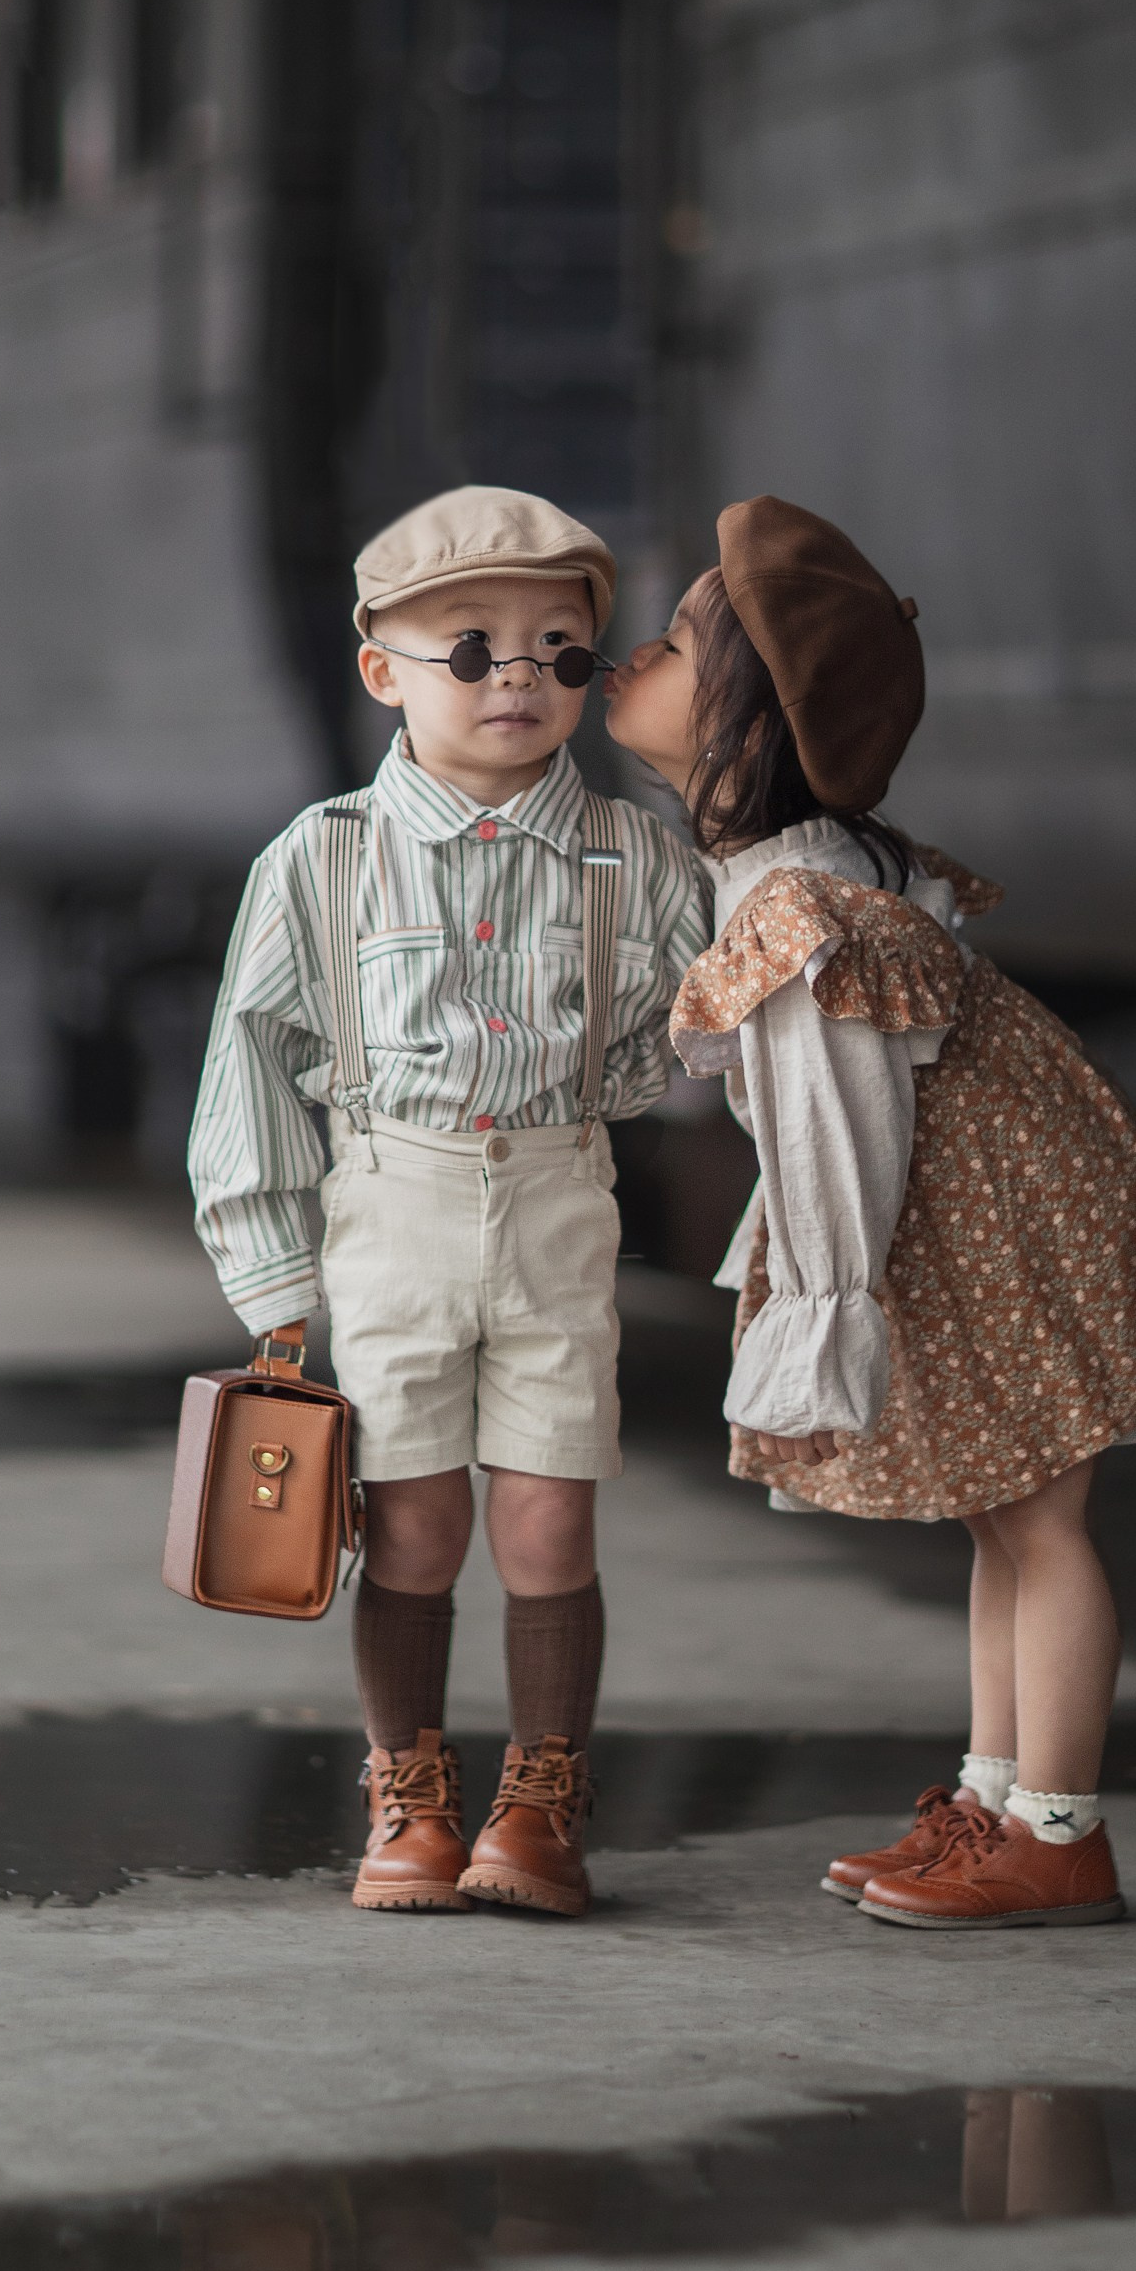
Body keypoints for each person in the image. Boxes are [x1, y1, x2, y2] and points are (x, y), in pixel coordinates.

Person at [604, 497, 1136, 1929]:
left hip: (1009, 1232)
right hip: (992, 1219)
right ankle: (993, 1806)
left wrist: (821, 1314)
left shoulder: (802, 912)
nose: (626, 662)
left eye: (668, 648)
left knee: (1045, 1531)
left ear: (748, 717)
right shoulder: (801, 881)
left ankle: (1061, 1834)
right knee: (1003, 1526)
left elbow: (838, 1139)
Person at [189, 487, 711, 1919]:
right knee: (412, 1524)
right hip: (390, 1208)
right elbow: (252, 1047)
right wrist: (270, 1266)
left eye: (558, 652)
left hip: (559, 1201)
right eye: (471, 651)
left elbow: (726, 991)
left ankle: (542, 1802)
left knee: (549, 1518)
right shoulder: (328, 853)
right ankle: (407, 1793)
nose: (519, 681)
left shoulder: (635, 856)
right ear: (384, 672)